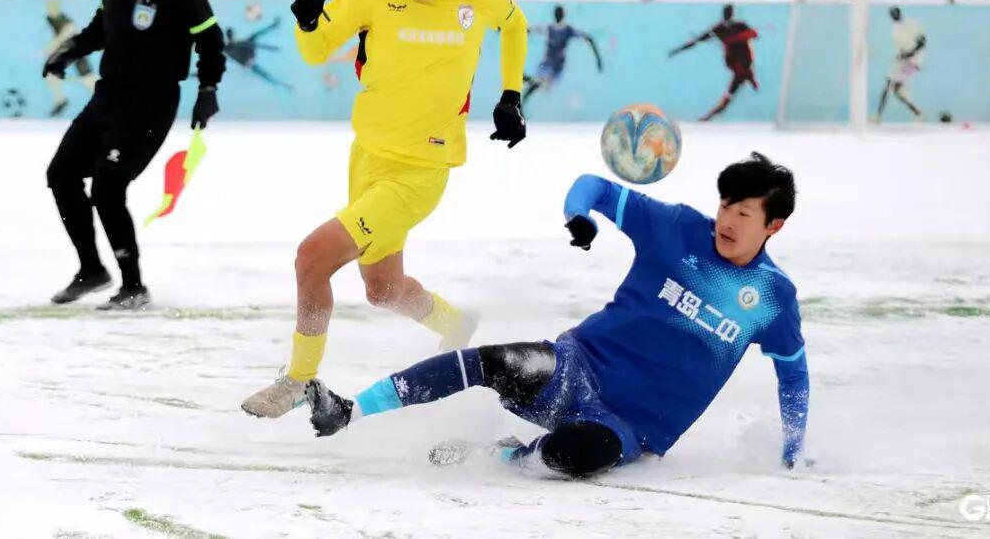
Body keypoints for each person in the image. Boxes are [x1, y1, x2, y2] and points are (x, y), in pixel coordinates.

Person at [306, 153, 810, 478]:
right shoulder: (677, 227)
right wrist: (579, 215)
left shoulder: (773, 297)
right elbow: (594, 186)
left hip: (630, 427)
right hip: (576, 365)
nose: (727, 221)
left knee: (574, 455)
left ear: (774, 226)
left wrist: (792, 447)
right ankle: (350, 410)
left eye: (743, 214)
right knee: (492, 361)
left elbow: (793, 374)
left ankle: (503, 455)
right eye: (725, 207)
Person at [241, 0, 529, 418]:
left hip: (422, 170)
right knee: (383, 289)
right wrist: (308, 22)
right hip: (369, 156)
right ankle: (454, 323)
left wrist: (511, 95)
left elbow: (515, 25)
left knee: (312, 258)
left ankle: (299, 380)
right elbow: (318, 49)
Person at [43, 0, 225, 310]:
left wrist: (208, 90)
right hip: (109, 94)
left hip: (152, 103)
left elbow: (210, 38)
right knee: (61, 174)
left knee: (108, 187)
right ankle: (92, 269)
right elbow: (103, 25)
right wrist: (68, 52)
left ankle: (133, 287)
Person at [668, 4, 760, 122]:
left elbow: (754, 34)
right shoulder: (719, 29)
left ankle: (708, 117)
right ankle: (707, 117)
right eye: (726, 14)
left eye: (729, 14)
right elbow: (698, 40)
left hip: (744, 64)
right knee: (730, 95)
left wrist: (734, 39)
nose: (727, 16)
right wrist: (678, 50)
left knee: (733, 91)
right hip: (737, 66)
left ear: (732, 14)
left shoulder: (740, 26)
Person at [522, 5, 603, 104]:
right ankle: (527, 87)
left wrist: (598, 58)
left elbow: (588, 38)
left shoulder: (565, 30)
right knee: (540, 83)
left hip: (556, 66)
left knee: (541, 83)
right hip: (549, 64)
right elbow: (529, 30)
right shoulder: (553, 28)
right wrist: (598, 59)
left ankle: (528, 84)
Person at [44, 0, 98, 117]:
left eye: (53, 5)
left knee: (88, 78)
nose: (50, 8)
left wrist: (52, 46)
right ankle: (60, 100)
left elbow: (69, 31)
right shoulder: (51, 18)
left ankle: (102, 100)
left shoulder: (62, 18)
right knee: (51, 74)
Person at [874, 7, 925, 122]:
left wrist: (908, 54)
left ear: (900, 13)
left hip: (913, 62)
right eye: (891, 14)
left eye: (895, 13)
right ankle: (918, 113)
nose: (893, 16)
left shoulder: (912, 24)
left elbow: (921, 43)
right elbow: (902, 49)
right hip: (904, 62)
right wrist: (901, 56)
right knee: (895, 90)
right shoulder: (894, 30)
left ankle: (878, 116)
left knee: (888, 86)